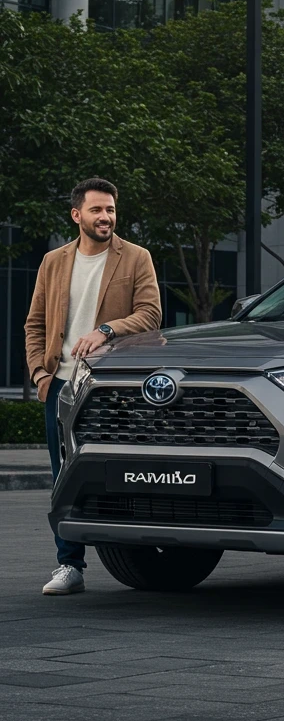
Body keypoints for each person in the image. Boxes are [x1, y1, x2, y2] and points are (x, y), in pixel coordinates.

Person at [25, 178, 162, 595]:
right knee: (63, 476)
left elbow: (150, 314)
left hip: (112, 387)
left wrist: (106, 330)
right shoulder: (53, 261)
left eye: (111, 210)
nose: (106, 217)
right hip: (61, 385)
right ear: (77, 215)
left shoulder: (136, 257)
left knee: (124, 471)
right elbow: (35, 324)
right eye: (97, 210)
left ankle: (139, 556)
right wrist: (40, 376)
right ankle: (69, 565)